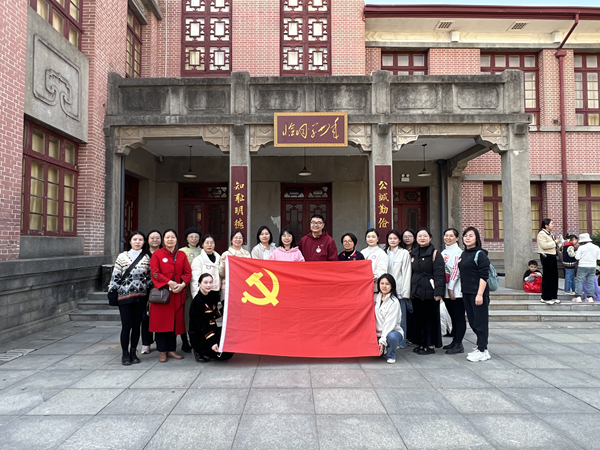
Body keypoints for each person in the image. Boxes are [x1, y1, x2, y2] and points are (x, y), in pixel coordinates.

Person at [108, 231, 152, 365]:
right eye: (135, 239)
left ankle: (133, 351)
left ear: (144, 242)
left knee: (136, 326)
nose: (138, 242)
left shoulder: (147, 257)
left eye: (140, 239)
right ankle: (125, 353)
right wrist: (112, 292)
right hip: (124, 296)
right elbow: (115, 276)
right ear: (130, 241)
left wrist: (150, 294)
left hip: (141, 297)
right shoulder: (122, 256)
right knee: (126, 326)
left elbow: (149, 278)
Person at [149, 228, 192, 363]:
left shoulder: (181, 255)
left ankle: (172, 350)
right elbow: (155, 273)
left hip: (177, 295)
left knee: (174, 323)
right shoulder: (157, 254)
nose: (170, 239)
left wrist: (182, 284)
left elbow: (188, 272)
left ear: (176, 240)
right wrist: (170, 282)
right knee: (161, 324)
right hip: (163, 295)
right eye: (167, 237)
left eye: (173, 237)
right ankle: (162, 351)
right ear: (164, 240)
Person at [409, 227, 445, 355]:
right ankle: (421, 343)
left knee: (430, 319)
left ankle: (429, 345)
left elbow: (440, 274)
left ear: (430, 238)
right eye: (419, 236)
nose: (422, 238)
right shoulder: (414, 253)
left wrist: (438, 293)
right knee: (419, 318)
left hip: (430, 291)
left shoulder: (435, 253)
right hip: (417, 290)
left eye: (425, 236)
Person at [459, 226, 492, 362]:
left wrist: (479, 294)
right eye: (465, 235)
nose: (467, 238)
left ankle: (483, 350)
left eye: (471, 236)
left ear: (476, 238)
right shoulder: (464, 254)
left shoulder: (480, 254)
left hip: (478, 293)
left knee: (480, 322)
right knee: (473, 321)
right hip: (466, 292)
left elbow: (484, 276)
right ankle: (480, 347)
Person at [189, 273, 234, 363]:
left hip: (212, 329)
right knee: (225, 354)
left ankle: (210, 351)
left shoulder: (211, 296)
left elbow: (214, 315)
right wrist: (213, 342)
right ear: (199, 284)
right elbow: (203, 325)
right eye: (205, 282)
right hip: (200, 335)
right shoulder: (197, 302)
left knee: (230, 343)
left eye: (210, 282)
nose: (208, 285)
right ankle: (197, 350)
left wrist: (227, 302)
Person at [384, 229, 411, 349]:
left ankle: (401, 342)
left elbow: (406, 273)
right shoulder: (384, 252)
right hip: (385, 289)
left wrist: (405, 292)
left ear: (399, 240)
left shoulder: (404, 253)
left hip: (399, 289)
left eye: (395, 238)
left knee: (401, 318)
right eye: (390, 238)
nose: (392, 240)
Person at [441, 228, 466, 355]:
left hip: (456, 291)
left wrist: (451, 288)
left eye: (451, 236)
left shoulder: (458, 252)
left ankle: (458, 343)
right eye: (446, 235)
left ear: (457, 238)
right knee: (452, 317)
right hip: (446, 290)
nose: (448, 238)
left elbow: (456, 271)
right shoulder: (444, 252)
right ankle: (454, 340)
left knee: (459, 317)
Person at [178, 226, 202, 353]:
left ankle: (197, 340)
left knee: (198, 314)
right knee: (185, 314)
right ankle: (184, 341)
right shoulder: (181, 252)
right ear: (186, 238)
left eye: (196, 237)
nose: (194, 239)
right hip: (186, 288)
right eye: (191, 236)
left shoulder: (203, 251)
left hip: (200, 288)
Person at [374, 274, 404, 364]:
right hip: (377, 333)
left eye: (387, 284)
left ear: (392, 286)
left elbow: (389, 324)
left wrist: (382, 341)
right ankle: (384, 348)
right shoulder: (375, 297)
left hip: (391, 331)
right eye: (382, 283)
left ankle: (391, 355)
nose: (384, 286)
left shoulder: (394, 302)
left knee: (392, 337)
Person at [141, 229, 161, 354]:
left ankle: (160, 342)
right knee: (145, 317)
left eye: (157, 237)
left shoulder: (164, 253)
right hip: (144, 289)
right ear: (147, 240)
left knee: (159, 317)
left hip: (160, 289)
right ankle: (146, 343)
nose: (155, 240)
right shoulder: (143, 254)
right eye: (152, 238)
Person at [537, 218, 561, 305]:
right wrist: (555, 242)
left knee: (554, 277)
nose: (553, 225)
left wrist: (560, 244)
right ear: (546, 225)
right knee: (547, 277)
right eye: (552, 223)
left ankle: (553, 296)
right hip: (546, 256)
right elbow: (544, 246)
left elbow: (553, 245)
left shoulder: (551, 234)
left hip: (553, 256)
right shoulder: (541, 234)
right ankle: (545, 297)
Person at [400, 227, 417, 345]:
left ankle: (413, 337)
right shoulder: (400, 251)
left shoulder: (417, 251)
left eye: (410, 236)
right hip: (403, 285)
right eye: (405, 236)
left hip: (414, 284)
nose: (407, 238)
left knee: (413, 312)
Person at [190, 234, 221, 299]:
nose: (209, 245)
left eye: (211, 243)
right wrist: (196, 296)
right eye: (207, 243)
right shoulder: (198, 260)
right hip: (203, 292)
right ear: (202, 245)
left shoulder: (219, 259)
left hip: (216, 291)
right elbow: (195, 280)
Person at [573, 233, 600, 303]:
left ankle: (578, 297)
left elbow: (577, 257)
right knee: (591, 282)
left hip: (582, 266)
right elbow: (598, 257)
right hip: (593, 266)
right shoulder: (596, 247)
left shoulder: (581, 248)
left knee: (579, 281)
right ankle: (590, 297)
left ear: (582, 241)